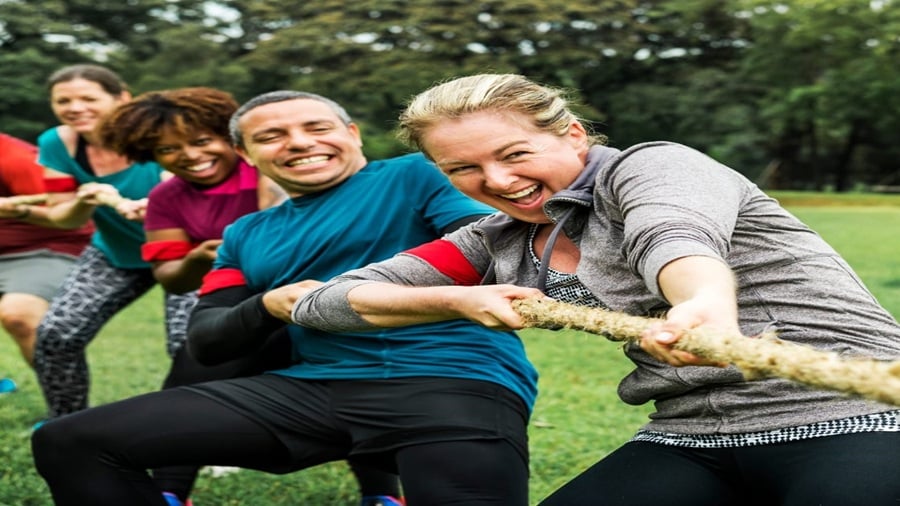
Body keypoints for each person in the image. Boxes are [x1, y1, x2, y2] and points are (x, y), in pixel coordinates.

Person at [291, 74, 900, 506]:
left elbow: (674, 237)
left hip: (851, 410)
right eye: (463, 169)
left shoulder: (655, 168)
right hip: (690, 432)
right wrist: (457, 300)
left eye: (515, 153)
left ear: (574, 135)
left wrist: (703, 305)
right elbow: (327, 303)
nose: (497, 180)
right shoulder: (494, 240)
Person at [32, 90, 537, 506]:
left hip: (451, 380)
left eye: (317, 128)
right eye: (271, 136)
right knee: (69, 441)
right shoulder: (245, 234)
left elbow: (487, 248)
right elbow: (206, 342)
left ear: (352, 134)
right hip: (314, 390)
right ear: (246, 155)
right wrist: (268, 304)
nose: (299, 143)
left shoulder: (414, 175)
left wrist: (357, 296)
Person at [97, 86, 398, 506]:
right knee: (193, 370)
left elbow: (291, 229)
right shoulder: (167, 198)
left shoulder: (267, 169)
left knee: (350, 378)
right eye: (167, 149)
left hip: (321, 298)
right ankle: (170, 492)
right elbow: (171, 278)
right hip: (244, 304)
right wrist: (198, 258)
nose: (189, 155)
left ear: (233, 142)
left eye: (202, 141)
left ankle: (382, 495)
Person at [28, 64, 196, 423]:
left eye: (88, 98)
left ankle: (203, 432)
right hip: (116, 254)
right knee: (57, 333)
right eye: (63, 101)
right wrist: (84, 199)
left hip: (188, 254)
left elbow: (189, 186)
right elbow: (63, 218)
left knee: (189, 345)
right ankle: (67, 425)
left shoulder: (155, 134)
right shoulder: (57, 143)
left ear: (121, 98)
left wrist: (160, 206)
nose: (76, 108)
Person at [0, 133, 93, 381]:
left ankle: (65, 400)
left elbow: (71, 220)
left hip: (43, 248)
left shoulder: (16, 158)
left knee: (20, 314)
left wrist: (19, 212)